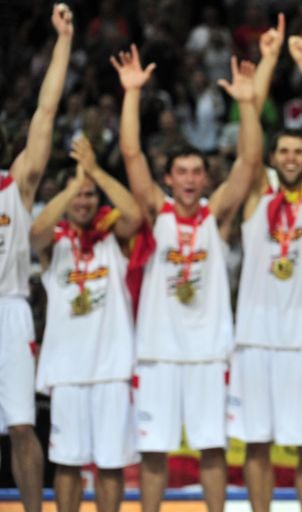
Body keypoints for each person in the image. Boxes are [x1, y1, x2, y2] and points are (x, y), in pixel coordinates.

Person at [113, 45, 260, 512]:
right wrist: (132, 94)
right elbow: (132, 151)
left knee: (212, 451)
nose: (192, 179)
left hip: (208, 352)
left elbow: (248, 163)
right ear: (170, 179)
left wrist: (248, 102)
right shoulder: (157, 213)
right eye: (183, 172)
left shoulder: (216, 217)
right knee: (153, 452)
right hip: (158, 351)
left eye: (198, 171)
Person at [227, 22, 302, 512]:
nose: (290, 157)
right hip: (255, 339)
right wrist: (266, 63)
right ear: (273, 159)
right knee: (256, 442)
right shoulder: (256, 198)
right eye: (283, 151)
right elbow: (248, 148)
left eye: (299, 151)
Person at [30, 136, 142, 512]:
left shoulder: (113, 238)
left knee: (111, 465)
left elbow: (135, 215)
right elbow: (35, 233)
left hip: (111, 368)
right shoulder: (55, 243)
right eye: (78, 196)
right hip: (67, 371)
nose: (84, 201)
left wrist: (94, 173)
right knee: (67, 463)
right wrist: (72, 187)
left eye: (90, 196)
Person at [0, 5, 73, 512]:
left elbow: (44, 114)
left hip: (9, 308)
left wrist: (63, 40)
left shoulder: (15, 186)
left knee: (22, 425)